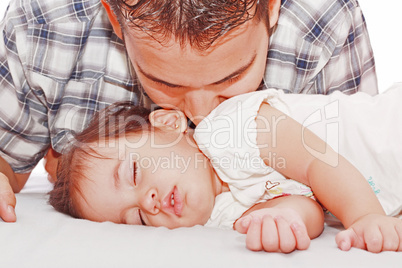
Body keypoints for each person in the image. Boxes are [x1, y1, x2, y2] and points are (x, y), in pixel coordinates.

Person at [0, 0, 378, 222]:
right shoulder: (42, 23)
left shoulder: (324, 16)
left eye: (233, 76)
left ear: (272, 6)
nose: (200, 114)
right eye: (165, 84)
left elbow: (369, 169)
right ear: (114, 17)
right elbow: (7, 163)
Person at [49, 84, 402, 253]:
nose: (149, 203)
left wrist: (364, 218)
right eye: (137, 218)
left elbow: (315, 165)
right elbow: (307, 206)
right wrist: (281, 221)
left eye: (135, 174)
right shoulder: (219, 218)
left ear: (171, 123)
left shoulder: (230, 128)